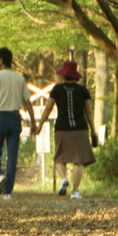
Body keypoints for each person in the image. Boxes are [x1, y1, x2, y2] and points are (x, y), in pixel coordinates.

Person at [0, 47, 37, 200]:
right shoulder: (20, 78)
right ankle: (7, 193)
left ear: (2, 60)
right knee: (12, 157)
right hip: (15, 119)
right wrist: (33, 123)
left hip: (1, 118)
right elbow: (28, 103)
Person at [35, 59, 97, 199]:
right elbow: (89, 113)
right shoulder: (83, 91)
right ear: (76, 76)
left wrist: (39, 126)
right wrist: (93, 130)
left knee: (59, 158)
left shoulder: (57, 89)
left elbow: (47, 109)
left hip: (61, 128)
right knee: (78, 160)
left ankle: (64, 178)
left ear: (63, 75)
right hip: (80, 128)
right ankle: (75, 191)